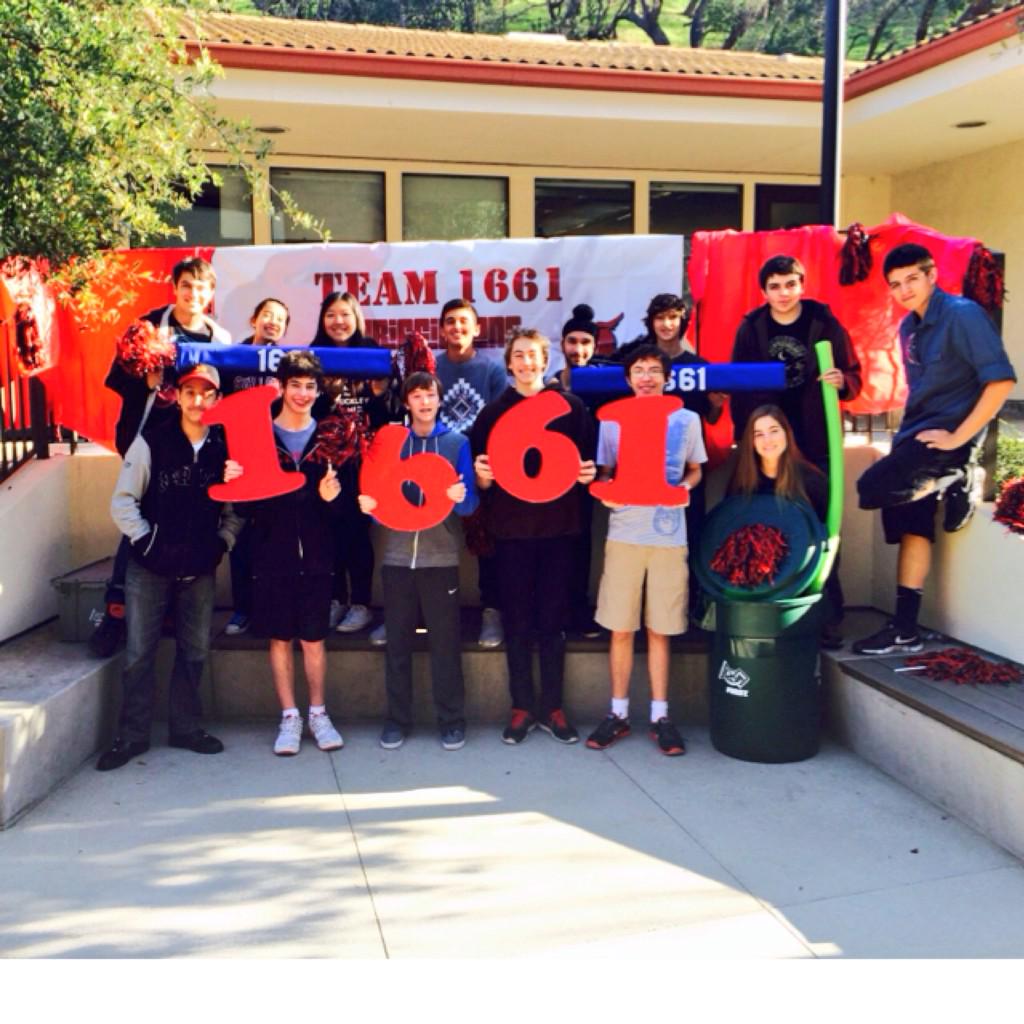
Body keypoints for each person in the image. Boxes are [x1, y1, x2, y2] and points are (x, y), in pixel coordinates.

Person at [853, 243, 1016, 655]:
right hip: (917, 438)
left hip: (949, 439)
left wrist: (959, 441)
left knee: (872, 487)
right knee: (912, 523)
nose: (904, 289)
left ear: (931, 275)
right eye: (895, 284)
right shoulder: (909, 328)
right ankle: (905, 627)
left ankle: (958, 474)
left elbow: (1000, 382)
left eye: (912, 279)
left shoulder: (963, 315)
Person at [96, 363, 241, 771]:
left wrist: (221, 543)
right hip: (149, 568)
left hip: (199, 569)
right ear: (177, 396)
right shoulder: (152, 441)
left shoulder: (224, 447)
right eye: (191, 392)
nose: (199, 401)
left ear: (217, 400)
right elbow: (122, 501)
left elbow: (236, 507)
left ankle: (186, 728)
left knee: (194, 652)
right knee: (139, 654)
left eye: (207, 394)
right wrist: (148, 540)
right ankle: (132, 735)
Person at [90, 257, 231, 658]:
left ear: (211, 294)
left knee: (186, 514)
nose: (194, 295)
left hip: (195, 443)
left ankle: (169, 608)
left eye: (202, 288)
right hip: (150, 440)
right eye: (187, 286)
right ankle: (115, 613)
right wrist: (145, 380)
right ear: (175, 287)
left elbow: (226, 393)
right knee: (139, 517)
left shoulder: (220, 338)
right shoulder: (149, 327)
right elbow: (116, 379)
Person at [471, 328, 596, 745]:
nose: (526, 363)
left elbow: (591, 467)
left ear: (546, 361)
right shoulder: (492, 414)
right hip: (511, 535)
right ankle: (522, 706)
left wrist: (590, 474)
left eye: (534, 355)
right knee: (519, 623)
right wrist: (483, 481)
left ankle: (554, 707)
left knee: (553, 622)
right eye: (519, 355)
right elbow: (479, 483)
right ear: (509, 363)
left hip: (560, 532)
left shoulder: (572, 407)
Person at [730, 257, 861, 647]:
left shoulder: (825, 322)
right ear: (764, 291)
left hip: (814, 442)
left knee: (822, 529)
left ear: (802, 285)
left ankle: (825, 616)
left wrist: (843, 381)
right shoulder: (752, 327)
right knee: (762, 525)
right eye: (775, 286)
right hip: (767, 444)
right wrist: (745, 443)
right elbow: (739, 382)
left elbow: (853, 372)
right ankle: (768, 606)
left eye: (790, 284)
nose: (783, 293)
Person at [585, 346, 706, 757]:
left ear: (667, 378)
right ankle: (617, 712)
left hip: (669, 536)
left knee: (660, 627)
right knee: (620, 627)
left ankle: (660, 715)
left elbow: (695, 468)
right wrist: (604, 490)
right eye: (639, 370)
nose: (647, 377)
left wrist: (684, 489)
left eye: (655, 370)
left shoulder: (687, 419)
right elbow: (604, 472)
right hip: (624, 532)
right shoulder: (613, 421)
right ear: (628, 378)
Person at [358, 371, 479, 750]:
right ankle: (396, 720)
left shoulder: (457, 442)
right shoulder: (392, 443)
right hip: (396, 559)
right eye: (416, 396)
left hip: (440, 558)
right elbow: (379, 504)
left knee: (445, 645)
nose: (424, 402)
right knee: (397, 645)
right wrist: (371, 508)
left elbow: (472, 504)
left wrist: (461, 496)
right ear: (406, 402)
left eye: (430, 395)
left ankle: (451, 720)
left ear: (439, 400)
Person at [236, 350, 346, 757]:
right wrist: (237, 480)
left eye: (309, 386)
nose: (302, 393)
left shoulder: (330, 439)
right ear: (280, 387)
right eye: (295, 385)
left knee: (314, 638)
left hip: (317, 557)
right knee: (280, 638)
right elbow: (245, 508)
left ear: (318, 391)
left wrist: (330, 499)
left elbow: (345, 512)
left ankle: (318, 713)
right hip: (270, 555)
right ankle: (289, 717)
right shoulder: (259, 437)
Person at [617, 293, 725, 623]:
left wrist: (719, 402)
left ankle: (688, 609)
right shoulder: (632, 359)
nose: (666, 324)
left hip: (685, 471)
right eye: (660, 317)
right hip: (639, 468)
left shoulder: (699, 365)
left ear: (682, 322)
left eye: (673, 318)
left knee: (688, 537)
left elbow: (712, 414)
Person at [311, 291, 391, 636]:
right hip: (324, 460)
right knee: (327, 531)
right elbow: (306, 412)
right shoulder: (311, 357)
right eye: (331, 314)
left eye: (345, 314)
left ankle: (360, 603)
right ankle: (334, 600)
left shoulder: (373, 356)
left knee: (358, 532)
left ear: (356, 318)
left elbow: (387, 418)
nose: (338, 321)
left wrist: (375, 395)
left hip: (364, 461)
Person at [433, 297, 509, 649]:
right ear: (442, 329)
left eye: (464, 322)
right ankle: (429, 613)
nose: (457, 328)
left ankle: (492, 610)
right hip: (436, 470)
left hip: (480, 470)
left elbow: (500, 425)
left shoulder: (492, 371)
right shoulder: (431, 368)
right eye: (450, 321)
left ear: (477, 328)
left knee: (488, 546)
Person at [223, 297, 291, 637]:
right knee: (241, 536)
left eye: (280, 319)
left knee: (274, 536)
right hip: (240, 460)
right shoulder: (233, 357)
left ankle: (270, 607)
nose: (273, 322)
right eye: (267, 315)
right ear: (253, 319)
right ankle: (241, 609)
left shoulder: (288, 363)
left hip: (275, 461)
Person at [557, 303, 606, 637]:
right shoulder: (551, 385)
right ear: (562, 344)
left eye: (585, 342)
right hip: (553, 478)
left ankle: (577, 610)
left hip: (592, 479)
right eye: (572, 341)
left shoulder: (608, 382)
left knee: (583, 543)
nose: (578, 349)